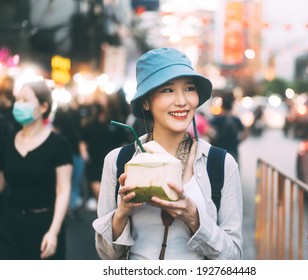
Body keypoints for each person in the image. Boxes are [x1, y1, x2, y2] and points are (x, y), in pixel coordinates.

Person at [93, 47, 243, 260]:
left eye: (189, 88)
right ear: (146, 101)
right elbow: (106, 256)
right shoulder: (118, 161)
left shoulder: (221, 164)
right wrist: (122, 213)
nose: (182, 101)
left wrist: (194, 219)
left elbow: (234, 257)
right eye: (167, 90)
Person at [0, 80, 73, 260]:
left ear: (43, 107)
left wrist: (53, 232)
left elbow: (63, 191)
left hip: (43, 226)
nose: (18, 104)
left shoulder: (59, 145)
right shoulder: (8, 141)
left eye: (25, 100)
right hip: (9, 224)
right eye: (17, 99)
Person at [210, 91, 246, 161]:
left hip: (219, 153)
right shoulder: (236, 120)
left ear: (222, 104)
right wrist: (237, 141)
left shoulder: (216, 119)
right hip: (233, 153)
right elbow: (245, 134)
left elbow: (210, 133)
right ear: (232, 104)